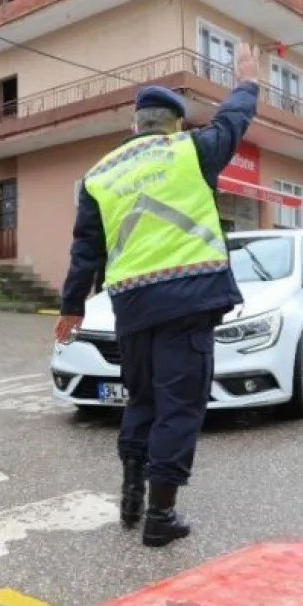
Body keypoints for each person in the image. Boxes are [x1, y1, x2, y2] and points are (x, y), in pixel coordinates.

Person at [55, 43, 261, 548]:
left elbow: (86, 248)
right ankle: (160, 517)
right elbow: (232, 123)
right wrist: (247, 84)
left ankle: (131, 498)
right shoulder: (191, 151)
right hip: (187, 303)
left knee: (142, 401)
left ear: (135, 126)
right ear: (175, 123)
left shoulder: (100, 175)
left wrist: (71, 306)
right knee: (180, 407)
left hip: (131, 308)